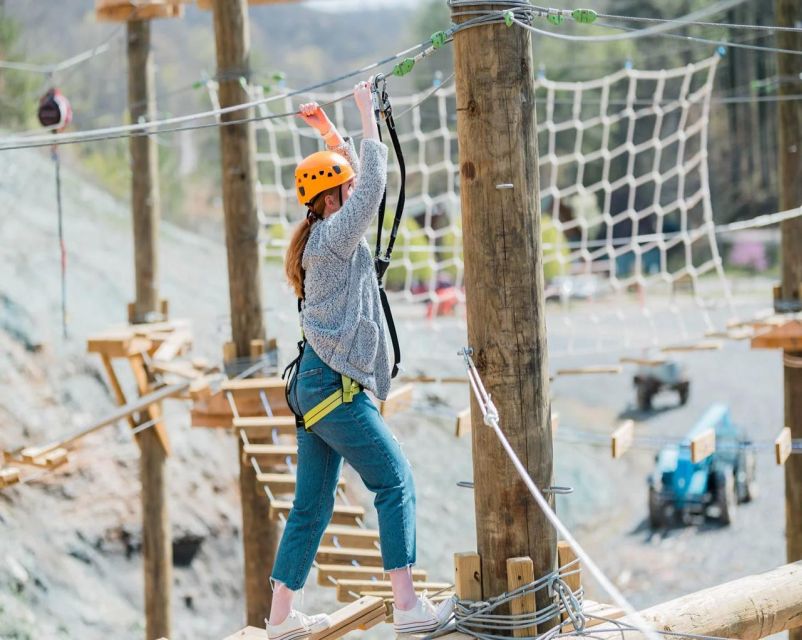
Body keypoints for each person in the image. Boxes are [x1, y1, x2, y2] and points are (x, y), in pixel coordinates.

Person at [266, 80, 456, 640]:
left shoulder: (322, 236)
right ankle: (408, 607)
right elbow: (371, 185)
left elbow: (354, 179)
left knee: (311, 505)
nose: (351, 193)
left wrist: (330, 132)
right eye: (343, 189)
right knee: (395, 482)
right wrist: (367, 115)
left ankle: (280, 618)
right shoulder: (333, 238)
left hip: (313, 386)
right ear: (333, 200)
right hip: (334, 387)